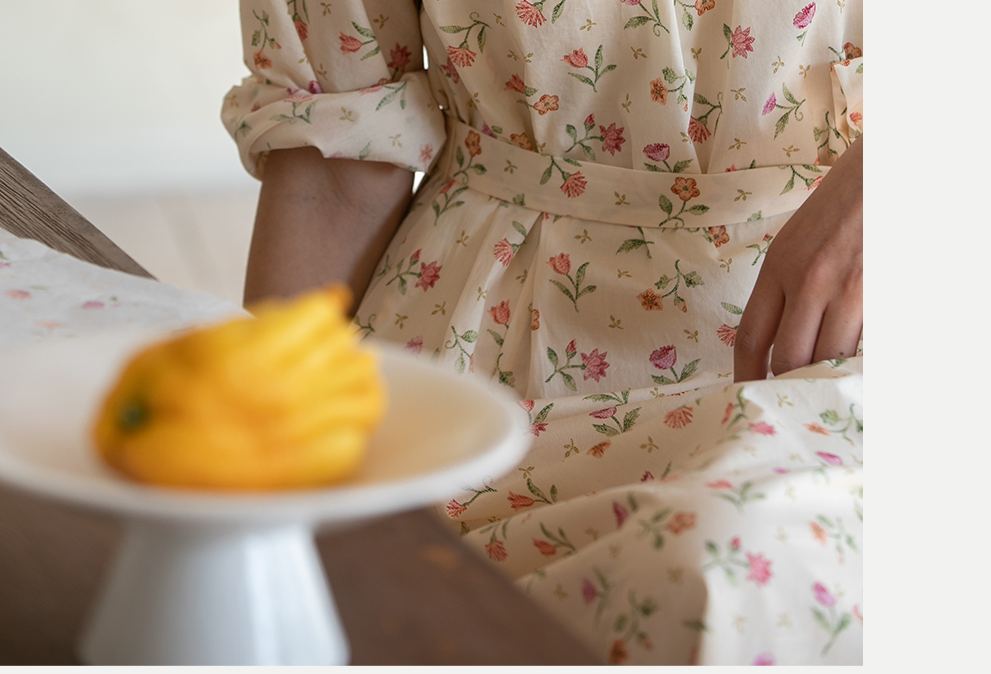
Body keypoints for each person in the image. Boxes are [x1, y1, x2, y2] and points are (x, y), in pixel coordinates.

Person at [223, 0, 862, 665]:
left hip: (826, 343)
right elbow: (339, 160)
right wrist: (247, 451)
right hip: (484, 354)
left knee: (736, 561)